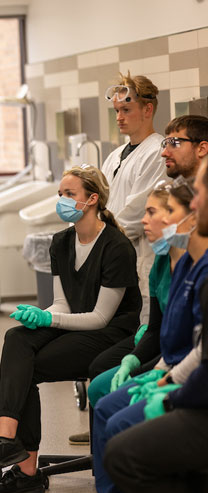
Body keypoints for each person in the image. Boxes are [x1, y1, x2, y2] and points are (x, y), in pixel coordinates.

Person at [0, 165, 142, 493]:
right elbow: (62, 304)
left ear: (92, 199)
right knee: (18, 338)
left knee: (27, 366)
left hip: (112, 334)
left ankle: (26, 470)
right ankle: (6, 440)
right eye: (60, 193)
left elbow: (100, 318)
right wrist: (42, 315)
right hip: (77, 325)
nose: (61, 200)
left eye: (69, 194)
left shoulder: (117, 247)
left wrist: (49, 321)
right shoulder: (61, 242)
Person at [69, 114, 208, 446]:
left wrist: (167, 375)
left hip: (189, 364)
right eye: (165, 142)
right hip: (172, 352)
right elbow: (162, 326)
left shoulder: (197, 264)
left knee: (112, 386)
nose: (165, 152)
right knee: (105, 376)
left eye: (175, 142)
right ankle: (107, 444)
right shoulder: (168, 257)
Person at [88, 173, 208, 493]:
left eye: (160, 210)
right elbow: (159, 329)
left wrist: (170, 383)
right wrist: (144, 363)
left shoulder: (200, 269)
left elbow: (201, 351)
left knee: (121, 426)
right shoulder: (177, 265)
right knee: (105, 403)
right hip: (173, 368)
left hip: (187, 377)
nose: (145, 220)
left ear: (189, 214)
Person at [102, 73, 165, 323]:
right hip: (115, 255)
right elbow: (102, 201)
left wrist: (98, 238)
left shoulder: (157, 152)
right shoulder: (116, 155)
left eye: (126, 109)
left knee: (142, 329)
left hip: (139, 255)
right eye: (117, 110)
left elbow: (137, 213)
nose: (119, 117)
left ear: (148, 109)